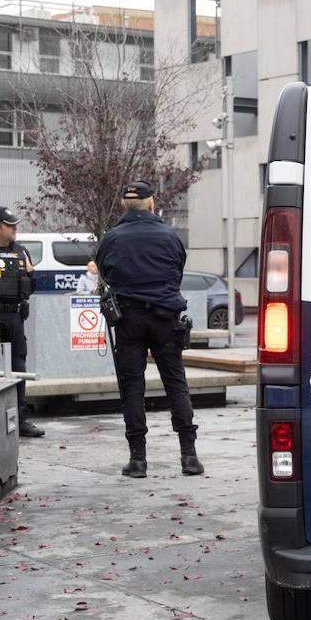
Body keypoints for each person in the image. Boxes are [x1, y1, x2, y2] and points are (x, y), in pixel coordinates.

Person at [95, 181, 203, 479]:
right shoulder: (169, 236)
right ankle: (189, 456)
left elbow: (105, 273)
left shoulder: (111, 238)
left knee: (132, 387)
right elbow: (178, 271)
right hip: (165, 317)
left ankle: (138, 459)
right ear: (152, 203)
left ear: (123, 205)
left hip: (128, 319)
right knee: (176, 383)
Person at [0, 206, 44, 438]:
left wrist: (31, 274)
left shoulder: (21, 251)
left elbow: (31, 287)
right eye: (10, 225)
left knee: (19, 367)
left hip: (14, 316)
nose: (15, 229)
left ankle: (21, 419)